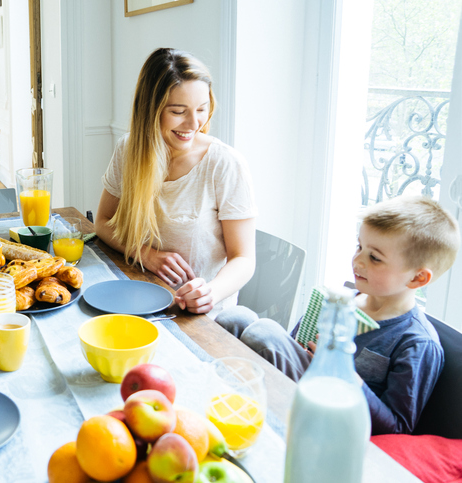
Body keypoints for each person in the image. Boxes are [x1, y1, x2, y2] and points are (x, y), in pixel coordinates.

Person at [217, 196, 460, 434]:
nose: (358, 260)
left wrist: (341, 370)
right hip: (302, 386)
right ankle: (220, 405)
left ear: (418, 278)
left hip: (333, 419)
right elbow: (293, 349)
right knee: (235, 318)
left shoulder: (417, 343)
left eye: (375, 258)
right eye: (359, 246)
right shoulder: (340, 301)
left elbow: (397, 427)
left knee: (263, 333)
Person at [96, 48, 257, 317]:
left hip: (201, 314)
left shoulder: (225, 163)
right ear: (151, 110)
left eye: (202, 109)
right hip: (140, 294)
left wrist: (210, 293)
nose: (194, 123)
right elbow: (102, 222)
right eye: (179, 111)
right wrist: (146, 254)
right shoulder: (129, 150)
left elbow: (244, 259)